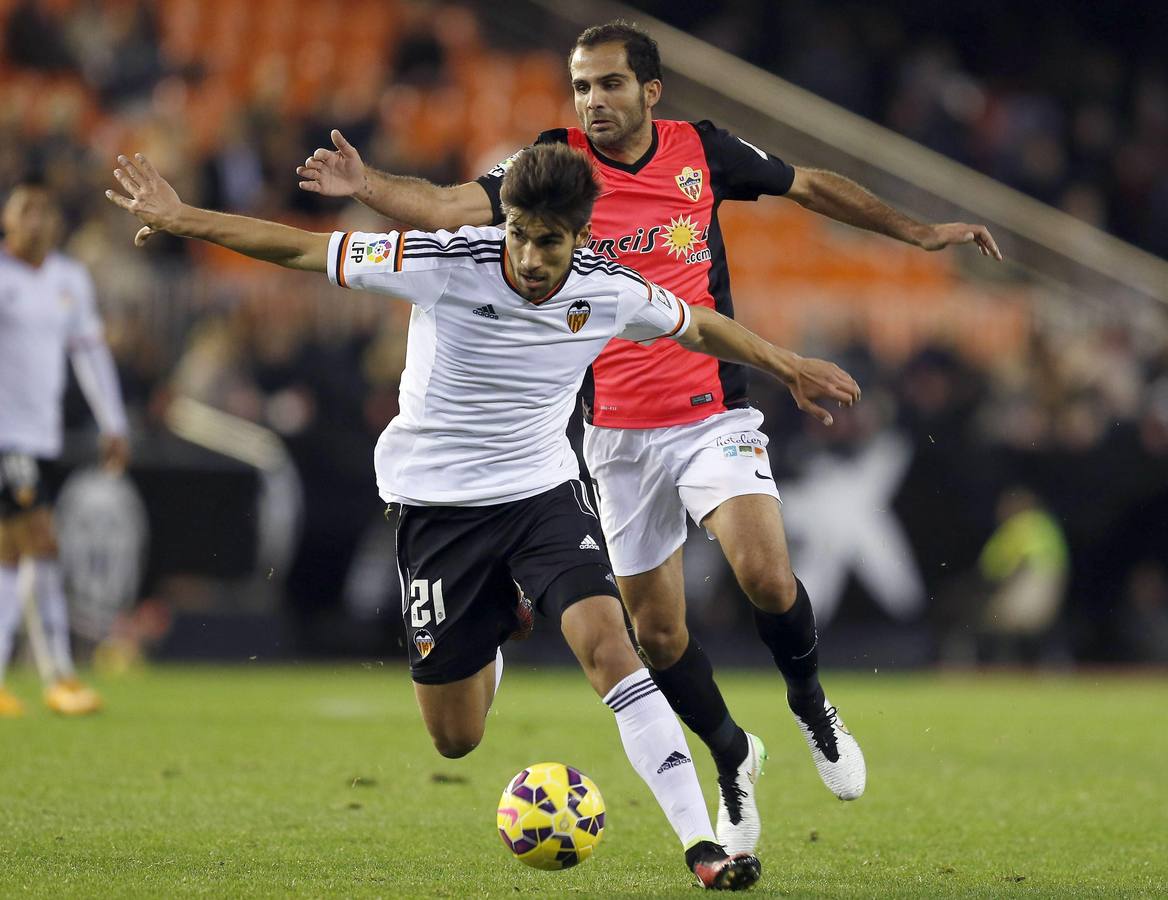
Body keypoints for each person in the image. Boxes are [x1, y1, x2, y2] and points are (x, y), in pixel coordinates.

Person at [291, 19, 1004, 854]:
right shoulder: (550, 170)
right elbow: (450, 207)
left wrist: (917, 234)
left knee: (766, 573)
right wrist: (364, 181)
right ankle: (732, 755)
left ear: (649, 91)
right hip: (614, 439)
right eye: (582, 85)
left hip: (711, 415)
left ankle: (811, 705)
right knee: (658, 638)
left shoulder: (702, 151)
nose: (592, 101)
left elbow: (807, 186)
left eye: (608, 84)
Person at [107, 143, 859, 889]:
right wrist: (184, 219)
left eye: (550, 241)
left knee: (612, 649)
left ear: (581, 236)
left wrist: (786, 364)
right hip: (437, 509)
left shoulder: (610, 289)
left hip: (541, 495)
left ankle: (702, 846)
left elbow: (696, 325)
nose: (530, 256)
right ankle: (495, 623)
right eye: (520, 234)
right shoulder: (443, 261)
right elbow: (301, 248)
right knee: (456, 739)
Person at [0, 177, 130, 718]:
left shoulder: (68, 279)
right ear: (7, 219)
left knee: (8, 557)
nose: (36, 221)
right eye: (26, 210)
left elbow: (91, 357)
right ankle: (60, 675)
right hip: (6, 437)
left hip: (42, 437)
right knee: (42, 542)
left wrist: (114, 421)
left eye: (45, 211)